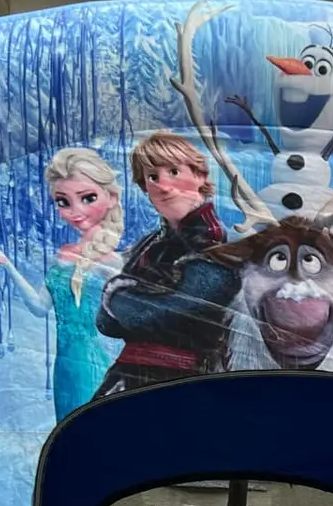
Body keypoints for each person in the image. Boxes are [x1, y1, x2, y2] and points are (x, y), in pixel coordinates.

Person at [0, 147, 124, 423]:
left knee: (95, 429)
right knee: (68, 430)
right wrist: (6, 264)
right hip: (64, 365)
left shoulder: (113, 262)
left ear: (110, 198)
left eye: (88, 198)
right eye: (64, 202)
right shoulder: (63, 258)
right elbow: (40, 307)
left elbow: (128, 319)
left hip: (94, 363)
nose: (75, 211)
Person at [95, 131, 240, 396]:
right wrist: (130, 298)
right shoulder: (148, 244)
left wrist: (118, 292)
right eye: (153, 177)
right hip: (126, 377)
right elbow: (106, 324)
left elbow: (167, 314)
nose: (163, 186)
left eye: (174, 171)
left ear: (199, 176)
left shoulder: (216, 245)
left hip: (182, 382)